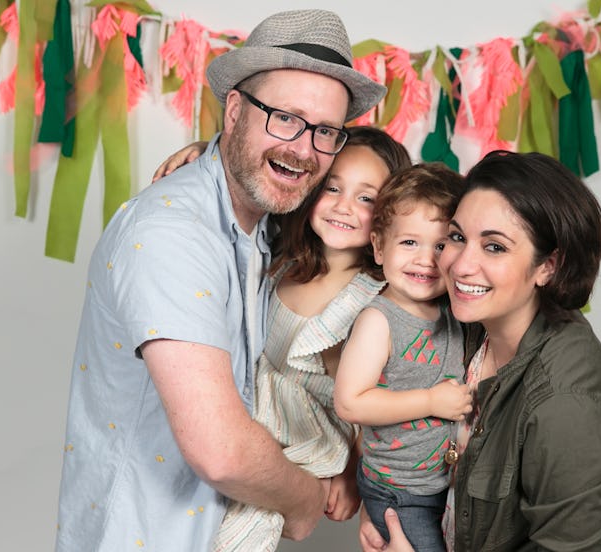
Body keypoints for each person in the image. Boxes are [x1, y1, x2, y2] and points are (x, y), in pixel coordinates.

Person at [53, 9, 387, 552]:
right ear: (234, 111)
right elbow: (221, 452)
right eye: (284, 117)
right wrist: (304, 503)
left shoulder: (274, 230)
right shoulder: (172, 233)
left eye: (325, 131)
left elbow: (399, 220)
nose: (302, 149)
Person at [360, 151, 601, 552]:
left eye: (495, 248)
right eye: (457, 237)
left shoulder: (568, 399)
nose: (461, 266)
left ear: (548, 266)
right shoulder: (458, 323)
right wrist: (380, 501)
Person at [209, 126, 412, 551]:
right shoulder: (286, 252)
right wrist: (199, 153)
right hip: (250, 412)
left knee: (243, 529)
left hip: (304, 438)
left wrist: (353, 471)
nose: (343, 207)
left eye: (366, 198)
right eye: (333, 187)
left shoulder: (370, 300)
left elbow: (371, 398)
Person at [333, 163, 472, 552]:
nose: (426, 260)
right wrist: (431, 401)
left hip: (438, 488)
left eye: (441, 245)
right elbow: (350, 402)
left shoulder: (451, 310)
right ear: (379, 247)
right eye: (409, 243)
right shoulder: (378, 321)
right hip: (399, 493)